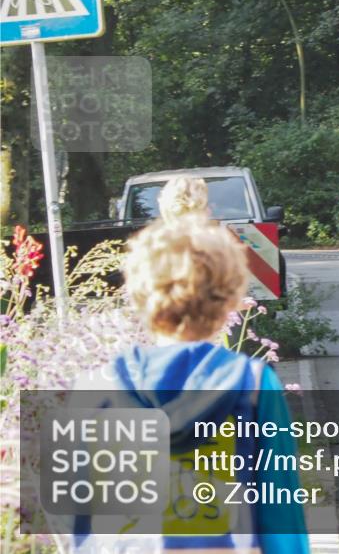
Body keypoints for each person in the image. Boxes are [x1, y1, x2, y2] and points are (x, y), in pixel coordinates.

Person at [71, 215, 309, 554]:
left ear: (139, 294)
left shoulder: (95, 387)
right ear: (229, 298)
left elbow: (80, 522)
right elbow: (280, 512)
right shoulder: (252, 385)